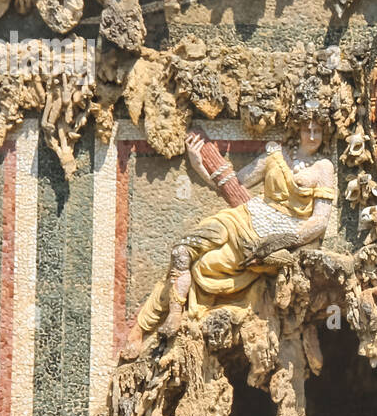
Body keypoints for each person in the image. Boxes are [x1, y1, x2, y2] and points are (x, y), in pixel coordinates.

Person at [121, 102, 337, 360]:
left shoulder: (323, 168)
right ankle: (153, 323)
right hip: (242, 217)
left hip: (266, 240)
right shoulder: (275, 155)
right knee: (182, 251)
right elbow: (235, 183)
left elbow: (320, 221)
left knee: (203, 268)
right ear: (297, 129)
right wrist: (198, 164)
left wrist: (286, 242)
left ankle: (165, 323)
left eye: (318, 131)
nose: (312, 136)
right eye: (307, 129)